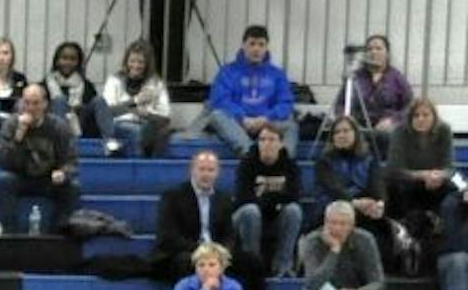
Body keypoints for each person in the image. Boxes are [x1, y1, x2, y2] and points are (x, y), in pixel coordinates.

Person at [0, 83, 81, 232]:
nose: (31, 108)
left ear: (45, 104)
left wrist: (63, 172)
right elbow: (1, 160)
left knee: (73, 187)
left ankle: (58, 235)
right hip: (21, 177)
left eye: (36, 103)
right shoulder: (12, 124)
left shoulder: (58, 127)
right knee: (4, 180)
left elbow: (72, 161)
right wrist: (18, 137)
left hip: (49, 179)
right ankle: (10, 235)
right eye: (26, 103)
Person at [201, 25, 299, 156]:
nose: (256, 49)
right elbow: (220, 100)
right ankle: (250, 154)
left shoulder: (277, 74)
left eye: (261, 44)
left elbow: (286, 103)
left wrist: (266, 118)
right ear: (243, 45)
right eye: (252, 44)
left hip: (267, 123)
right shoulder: (227, 71)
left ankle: (284, 162)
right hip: (238, 123)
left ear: (266, 47)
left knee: (291, 126)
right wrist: (242, 117)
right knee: (216, 116)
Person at [385, 98, 464, 256]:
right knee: (399, 188)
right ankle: (408, 241)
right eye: (416, 115)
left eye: (425, 115)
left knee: (455, 189)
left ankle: (448, 237)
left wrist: (438, 175)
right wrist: (424, 175)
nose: (421, 119)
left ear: (434, 117)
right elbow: (395, 169)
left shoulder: (444, 130)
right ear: (410, 118)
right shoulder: (399, 132)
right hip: (406, 182)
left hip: (437, 181)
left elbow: (449, 167)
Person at [233, 123, 305, 278]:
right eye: (262, 140)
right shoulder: (247, 163)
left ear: (280, 143)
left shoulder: (290, 166)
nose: (266, 144)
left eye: (271, 140)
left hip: (275, 217)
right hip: (249, 218)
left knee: (294, 210)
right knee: (250, 211)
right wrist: (275, 200)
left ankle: (283, 265)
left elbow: (294, 196)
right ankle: (253, 264)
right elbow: (242, 198)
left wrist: (264, 199)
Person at [153, 150, 237, 278]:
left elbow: (230, 234)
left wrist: (222, 252)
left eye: (210, 170)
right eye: (201, 169)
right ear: (192, 170)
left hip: (216, 253)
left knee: (251, 261)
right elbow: (169, 237)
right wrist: (202, 251)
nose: (206, 174)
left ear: (217, 173)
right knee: (188, 262)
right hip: (185, 251)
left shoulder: (224, 199)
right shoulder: (173, 196)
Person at [314, 116, 390, 253]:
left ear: (355, 133)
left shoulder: (369, 158)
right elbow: (334, 189)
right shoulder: (324, 161)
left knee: (380, 226)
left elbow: (377, 185)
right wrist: (355, 203)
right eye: (337, 132)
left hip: (363, 210)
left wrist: (379, 203)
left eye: (346, 131)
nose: (341, 135)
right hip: (332, 208)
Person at [93, 39, 172, 157]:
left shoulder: (157, 84)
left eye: (141, 62)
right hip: (118, 124)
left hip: (147, 124)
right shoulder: (114, 80)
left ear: (147, 64)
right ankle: (136, 167)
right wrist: (134, 102)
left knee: (162, 132)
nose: (135, 65)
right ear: (126, 61)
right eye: (132, 61)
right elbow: (107, 111)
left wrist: (145, 114)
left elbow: (166, 116)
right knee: (133, 132)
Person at [337, 34, 413, 151]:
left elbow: (409, 106)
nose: (373, 52)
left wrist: (393, 120)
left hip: (386, 129)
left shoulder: (397, 78)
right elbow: (340, 104)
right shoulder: (356, 76)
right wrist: (347, 121)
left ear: (387, 53)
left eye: (378, 49)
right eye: (370, 49)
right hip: (359, 127)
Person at [42, 41, 97, 140]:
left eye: (72, 59)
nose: (68, 62)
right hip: (52, 126)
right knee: (59, 100)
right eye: (64, 58)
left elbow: (91, 114)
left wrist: (78, 109)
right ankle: (61, 141)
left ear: (78, 62)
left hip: (80, 125)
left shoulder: (87, 85)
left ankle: (109, 142)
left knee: (98, 101)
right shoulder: (46, 83)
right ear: (57, 61)